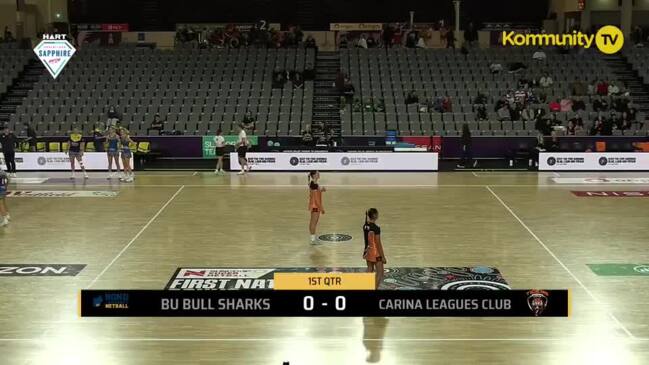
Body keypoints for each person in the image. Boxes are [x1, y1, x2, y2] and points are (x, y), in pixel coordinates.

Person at [363, 208, 386, 289]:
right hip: (376, 253)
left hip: (367, 251)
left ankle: (366, 287)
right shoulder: (376, 228)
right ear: (375, 215)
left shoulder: (365, 225)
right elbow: (378, 243)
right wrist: (383, 256)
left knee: (370, 268)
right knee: (380, 272)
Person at [307, 170, 326, 244]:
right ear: (314, 175)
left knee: (313, 222)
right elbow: (316, 199)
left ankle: (313, 238)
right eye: (318, 173)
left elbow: (315, 190)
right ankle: (313, 240)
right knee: (313, 223)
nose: (319, 174)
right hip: (315, 206)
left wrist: (321, 190)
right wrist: (321, 209)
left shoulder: (313, 184)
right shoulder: (315, 185)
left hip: (313, 205)